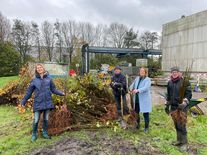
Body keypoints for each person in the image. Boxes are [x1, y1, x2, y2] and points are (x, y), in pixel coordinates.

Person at [21, 64, 65, 142]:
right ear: (36, 70)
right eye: (38, 68)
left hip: (47, 102)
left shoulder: (49, 79)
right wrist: (23, 101)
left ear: (43, 68)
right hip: (38, 102)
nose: (39, 69)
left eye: (40, 67)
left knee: (46, 119)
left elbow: (53, 89)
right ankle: (34, 134)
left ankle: (44, 133)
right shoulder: (34, 80)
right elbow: (29, 92)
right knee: (36, 119)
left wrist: (61, 93)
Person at [165, 66, 192, 151]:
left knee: (182, 125)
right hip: (173, 107)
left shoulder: (185, 82)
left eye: (176, 72)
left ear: (179, 73)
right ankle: (179, 140)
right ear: (171, 73)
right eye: (173, 72)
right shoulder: (170, 82)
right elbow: (169, 95)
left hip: (182, 107)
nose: (174, 73)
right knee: (176, 124)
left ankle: (184, 143)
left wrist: (185, 102)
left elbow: (189, 94)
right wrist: (167, 102)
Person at [129, 67, 152, 133]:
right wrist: (130, 89)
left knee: (145, 114)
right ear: (139, 72)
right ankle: (137, 125)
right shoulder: (137, 78)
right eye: (140, 71)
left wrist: (138, 90)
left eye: (143, 71)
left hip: (144, 100)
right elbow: (132, 86)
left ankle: (146, 128)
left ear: (145, 72)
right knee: (136, 113)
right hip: (137, 99)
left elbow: (146, 88)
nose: (141, 72)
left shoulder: (148, 80)